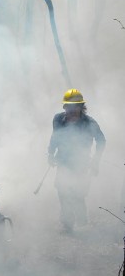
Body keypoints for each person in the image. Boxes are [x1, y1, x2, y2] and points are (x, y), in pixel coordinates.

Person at [48, 89, 106, 233]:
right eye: (69, 106)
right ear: (64, 107)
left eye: (76, 106)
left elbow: (101, 141)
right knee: (62, 190)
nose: (72, 110)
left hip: (81, 163)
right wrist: (50, 154)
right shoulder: (57, 119)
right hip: (63, 162)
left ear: (81, 107)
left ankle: (81, 220)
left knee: (77, 192)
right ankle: (68, 222)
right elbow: (55, 137)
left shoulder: (90, 123)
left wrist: (96, 162)